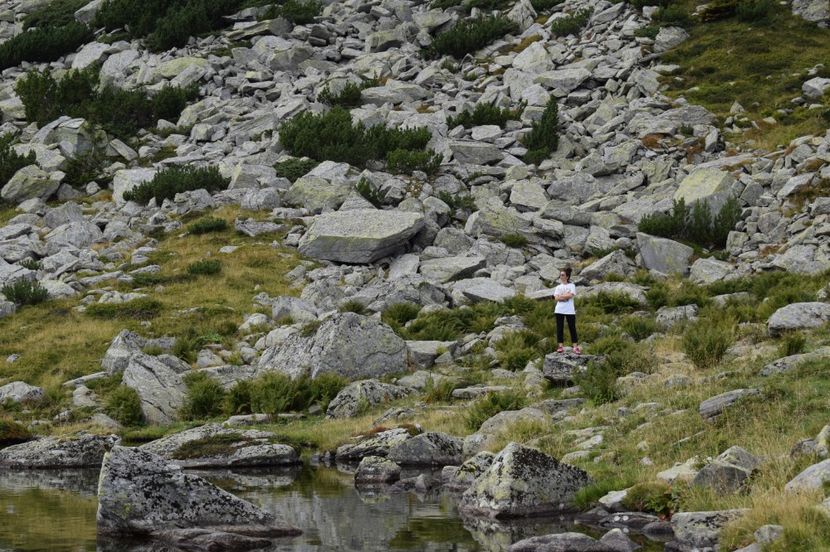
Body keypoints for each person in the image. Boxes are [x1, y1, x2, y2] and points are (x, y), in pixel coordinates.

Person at [553, 267, 580, 354]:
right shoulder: (558, 287)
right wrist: (565, 296)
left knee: (572, 328)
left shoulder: (572, 285)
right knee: (559, 328)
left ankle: (575, 347)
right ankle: (560, 346)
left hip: (570, 310)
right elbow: (556, 298)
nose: (561, 276)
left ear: (567, 277)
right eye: (560, 275)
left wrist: (561, 296)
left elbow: (571, 295)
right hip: (559, 310)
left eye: (562, 275)